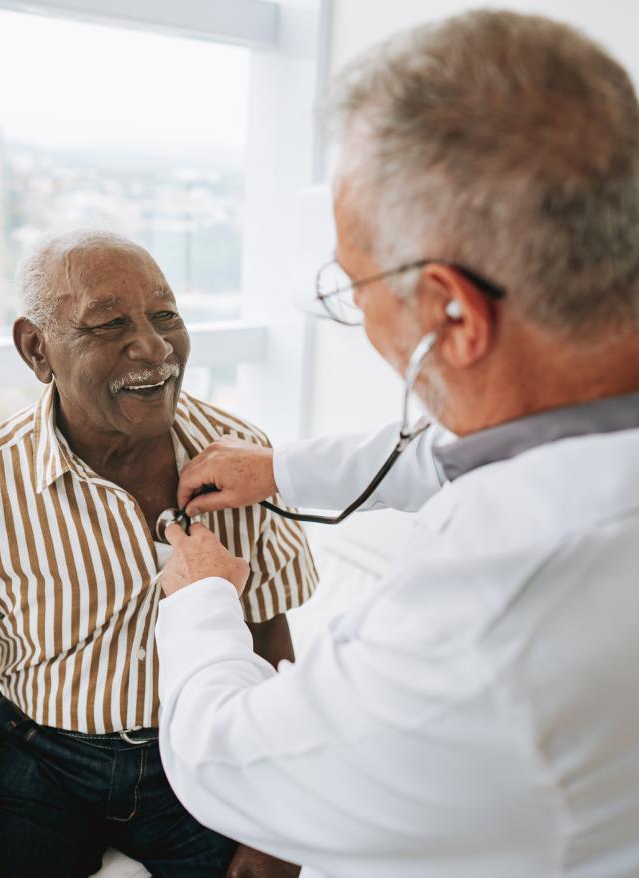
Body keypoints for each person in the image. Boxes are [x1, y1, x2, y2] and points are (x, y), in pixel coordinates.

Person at [154, 11, 639, 878]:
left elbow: (226, 759)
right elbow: (476, 449)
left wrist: (201, 600)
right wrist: (281, 468)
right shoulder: (590, 398)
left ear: (452, 314)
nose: (355, 307)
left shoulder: (493, 623)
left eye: (351, 282)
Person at [0, 230, 317, 878]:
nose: (153, 347)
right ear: (37, 349)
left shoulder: (243, 454)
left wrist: (276, 829)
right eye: (109, 323)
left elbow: (268, 637)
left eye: (165, 315)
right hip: (43, 756)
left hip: (197, 747)